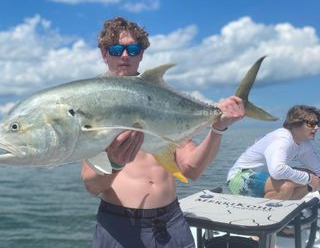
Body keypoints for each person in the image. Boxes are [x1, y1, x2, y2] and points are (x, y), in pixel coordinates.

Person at [80, 16, 245, 248]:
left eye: (133, 49)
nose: (125, 56)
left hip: (171, 221)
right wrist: (115, 162)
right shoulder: (91, 104)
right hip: (121, 225)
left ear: (141, 54)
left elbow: (191, 169)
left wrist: (218, 128)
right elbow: (92, 186)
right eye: (116, 49)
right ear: (104, 54)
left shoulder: (164, 102)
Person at [227, 105, 320, 200]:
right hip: (239, 178)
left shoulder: (304, 143)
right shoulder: (282, 139)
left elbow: (318, 171)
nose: (317, 128)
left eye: (318, 123)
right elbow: (277, 171)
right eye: (312, 124)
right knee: (287, 186)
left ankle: (285, 209)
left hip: (266, 178)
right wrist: (309, 178)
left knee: (312, 176)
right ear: (296, 123)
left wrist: (312, 179)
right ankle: (264, 211)